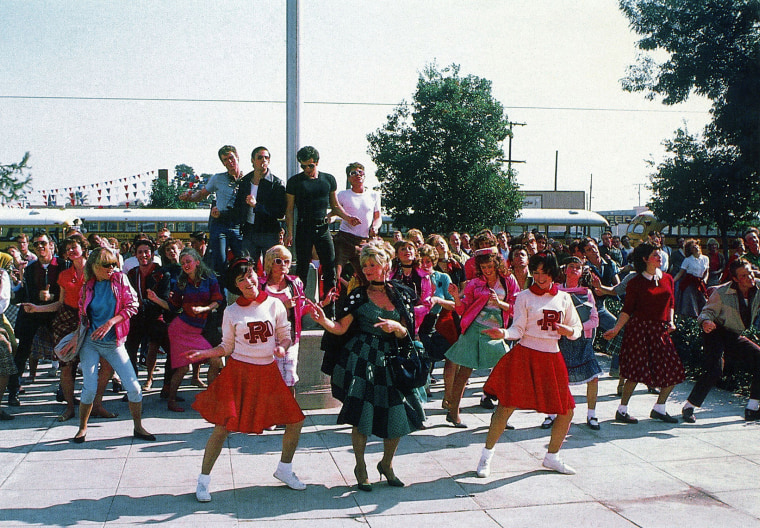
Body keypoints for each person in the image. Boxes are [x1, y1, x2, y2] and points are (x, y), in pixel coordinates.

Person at [309, 241, 425, 491]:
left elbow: (409, 332)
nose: (369, 269)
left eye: (373, 264)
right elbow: (340, 328)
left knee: (397, 413)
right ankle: (360, 467)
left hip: (394, 359)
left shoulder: (402, 293)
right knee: (361, 416)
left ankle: (387, 463)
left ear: (386, 264)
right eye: (365, 265)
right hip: (363, 360)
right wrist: (322, 320)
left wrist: (397, 329)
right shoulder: (358, 295)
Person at [188, 258, 307, 501]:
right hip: (239, 374)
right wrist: (206, 353)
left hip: (268, 373)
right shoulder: (231, 311)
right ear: (236, 286)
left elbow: (286, 335)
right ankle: (203, 481)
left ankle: (284, 469)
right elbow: (227, 346)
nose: (249, 281)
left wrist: (282, 348)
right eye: (241, 279)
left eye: (250, 275)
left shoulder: (275, 304)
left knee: (295, 420)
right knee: (221, 428)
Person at [477, 251, 582, 477]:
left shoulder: (564, 298)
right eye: (535, 273)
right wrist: (503, 333)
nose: (540, 277)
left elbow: (577, 329)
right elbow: (518, 329)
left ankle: (552, 456)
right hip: (525, 355)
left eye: (544, 273)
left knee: (567, 410)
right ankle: (486, 455)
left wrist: (568, 331)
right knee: (505, 406)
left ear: (553, 273)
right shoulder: (524, 296)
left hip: (552, 358)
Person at [69, 247, 154, 443]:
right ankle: (82, 427)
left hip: (114, 342)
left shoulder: (120, 280)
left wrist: (111, 321)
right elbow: (83, 315)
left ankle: (138, 426)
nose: (111, 268)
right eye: (106, 265)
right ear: (94, 267)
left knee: (134, 387)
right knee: (89, 388)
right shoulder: (87, 285)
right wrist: (76, 336)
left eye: (113, 264)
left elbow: (133, 305)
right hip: (90, 342)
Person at [604, 243, 684, 424]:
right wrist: (616, 330)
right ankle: (622, 410)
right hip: (638, 331)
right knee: (634, 372)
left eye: (660, 254)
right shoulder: (635, 282)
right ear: (645, 259)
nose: (660, 257)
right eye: (655, 254)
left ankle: (659, 408)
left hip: (660, 330)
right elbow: (627, 310)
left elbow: (670, 302)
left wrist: (671, 321)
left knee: (673, 370)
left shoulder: (668, 278)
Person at [444, 248, 518, 427]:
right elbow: (462, 310)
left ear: (497, 264)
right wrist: (456, 297)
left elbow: (517, 308)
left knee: (505, 372)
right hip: (474, 330)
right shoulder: (474, 283)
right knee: (464, 372)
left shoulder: (509, 281)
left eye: (490, 266)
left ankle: (501, 415)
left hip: (497, 332)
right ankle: (453, 413)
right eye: (483, 267)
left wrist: (499, 303)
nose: (487, 270)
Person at [682, 259, 760, 422]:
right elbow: (706, 312)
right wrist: (705, 322)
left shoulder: (758, 288)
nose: (750, 277)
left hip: (734, 334)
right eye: (744, 275)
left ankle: (752, 409)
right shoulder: (722, 293)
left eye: (750, 272)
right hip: (715, 331)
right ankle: (689, 406)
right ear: (736, 279)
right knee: (715, 370)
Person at [285, 146, 360, 310]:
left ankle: (330, 308)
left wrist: (348, 217)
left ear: (317, 163)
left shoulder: (328, 179)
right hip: (303, 228)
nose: (307, 169)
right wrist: (289, 232)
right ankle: (299, 309)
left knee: (330, 269)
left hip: (322, 228)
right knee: (302, 269)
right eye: (303, 166)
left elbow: (335, 205)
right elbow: (289, 209)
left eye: (310, 166)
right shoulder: (295, 182)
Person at [540, 257, 602, 430]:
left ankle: (592, 415)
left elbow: (594, 319)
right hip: (560, 342)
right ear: (565, 270)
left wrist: (575, 328)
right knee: (555, 379)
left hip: (582, 341)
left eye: (578, 267)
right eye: (571, 267)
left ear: (581, 272)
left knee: (594, 377)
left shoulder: (587, 292)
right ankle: (551, 414)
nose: (574, 269)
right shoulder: (556, 290)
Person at [164, 248, 223, 412]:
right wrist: (156, 299)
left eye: (188, 261)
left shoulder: (209, 278)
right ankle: (171, 400)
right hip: (181, 329)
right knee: (184, 367)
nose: (185, 265)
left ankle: (212, 399)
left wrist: (205, 309)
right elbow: (173, 306)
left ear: (197, 261)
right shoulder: (181, 282)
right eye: (183, 263)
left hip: (197, 329)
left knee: (215, 360)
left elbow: (218, 300)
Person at [7, 231, 61, 407]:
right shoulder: (30, 268)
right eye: (36, 244)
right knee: (22, 350)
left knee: (66, 350)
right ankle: (13, 391)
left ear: (51, 245)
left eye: (43, 243)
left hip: (55, 312)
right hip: (34, 312)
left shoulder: (62, 265)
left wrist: (51, 296)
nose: (40, 247)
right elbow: (25, 293)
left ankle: (65, 389)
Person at [180, 145, 245, 274]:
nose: (229, 162)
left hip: (238, 224)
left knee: (242, 260)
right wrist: (189, 198)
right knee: (219, 261)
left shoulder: (247, 180)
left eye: (231, 157)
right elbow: (201, 194)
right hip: (220, 223)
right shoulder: (218, 178)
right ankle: (219, 291)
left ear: (237, 157)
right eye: (225, 160)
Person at [124, 239, 172, 392]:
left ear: (152, 253)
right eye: (140, 252)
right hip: (136, 318)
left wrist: (145, 302)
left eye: (147, 252)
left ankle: (167, 387)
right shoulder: (132, 273)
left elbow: (164, 300)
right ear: (135, 255)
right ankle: (133, 388)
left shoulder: (162, 273)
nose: (144, 255)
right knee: (128, 351)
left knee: (172, 350)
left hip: (155, 318)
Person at [260, 245, 308, 395]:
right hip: (267, 336)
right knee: (270, 376)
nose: (283, 265)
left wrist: (321, 305)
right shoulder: (261, 285)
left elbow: (302, 308)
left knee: (290, 375)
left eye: (287, 261)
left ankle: (290, 413)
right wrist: (282, 306)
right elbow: (257, 312)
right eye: (278, 261)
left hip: (290, 335)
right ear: (269, 263)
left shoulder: (295, 283)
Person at [235, 146, 287, 266]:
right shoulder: (245, 181)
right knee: (247, 266)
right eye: (260, 157)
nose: (263, 160)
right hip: (249, 232)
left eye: (266, 157)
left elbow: (279, 212)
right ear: (253, 160)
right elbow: (238, 206)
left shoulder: (277, 183)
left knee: (272, 267)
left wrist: (256, 206)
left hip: (269, 232)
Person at [333, 162, 382, 283]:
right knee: (335, 274)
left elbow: (377, 217)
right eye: (353, 173)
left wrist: (375, 227)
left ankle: (366, 299)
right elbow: (335, 212)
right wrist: (329, 218)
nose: (357, 175)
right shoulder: (342, 195)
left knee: (367, 277)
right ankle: (333, 299)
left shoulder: (374, 195)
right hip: (344, 239)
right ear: (349, 178)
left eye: (360, 172)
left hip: (363, 241)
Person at [672, 238, 709, 318]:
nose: (696, 248)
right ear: (690, 250)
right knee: (690, 305)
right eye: (693, 247)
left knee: (703, 302)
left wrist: (705, 279)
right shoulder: (687, 260)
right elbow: (680, 273)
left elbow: (706, 271)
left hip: (699, 283)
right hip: (689, 283)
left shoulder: (705, 258)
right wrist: (671, 281)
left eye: (696, 246)